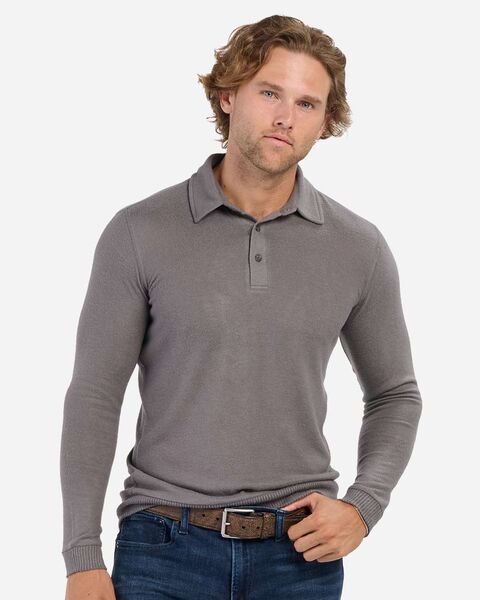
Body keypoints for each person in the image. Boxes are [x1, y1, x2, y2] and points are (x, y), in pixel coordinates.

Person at [61, 14, 422, 600]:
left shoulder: (359, 247)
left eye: (307, 103)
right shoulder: (139, 232)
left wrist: (363, 507)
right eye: (270, 93)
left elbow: (395, 395)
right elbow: (96, 395)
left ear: (325, 121)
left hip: (300, 553)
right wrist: (81, 556)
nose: (285, 117)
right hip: (163, 546)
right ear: (228, 96)